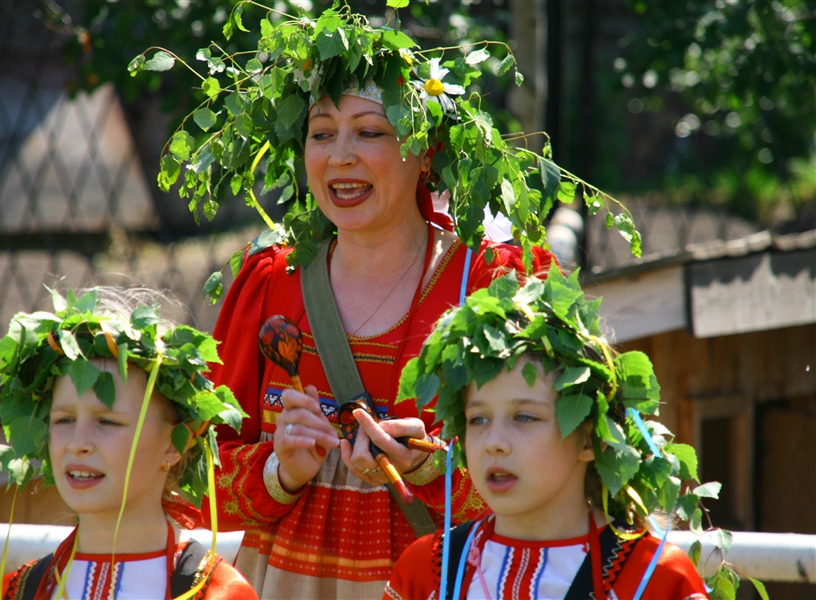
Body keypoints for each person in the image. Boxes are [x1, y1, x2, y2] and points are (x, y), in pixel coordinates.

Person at [193, 7, 560, 599]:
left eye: (370, 131)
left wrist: (431, 468)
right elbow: (194, 467)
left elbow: (562, 461)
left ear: (426, 149)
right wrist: (279, 469)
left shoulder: (495, 283)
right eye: (320, 133)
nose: (339, 156)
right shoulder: (270, 281)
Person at [384, 267, 714, 599]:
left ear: (589, 438)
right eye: (478, 419)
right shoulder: (427, 574)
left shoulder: (654, 580)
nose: (494, 443)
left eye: (524, 417)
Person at [0, 287, 257, 600]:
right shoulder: (17, 592)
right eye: (63, 420)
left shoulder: (217, 593)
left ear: (173, 445)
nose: (77, 443)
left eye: (108, 422)